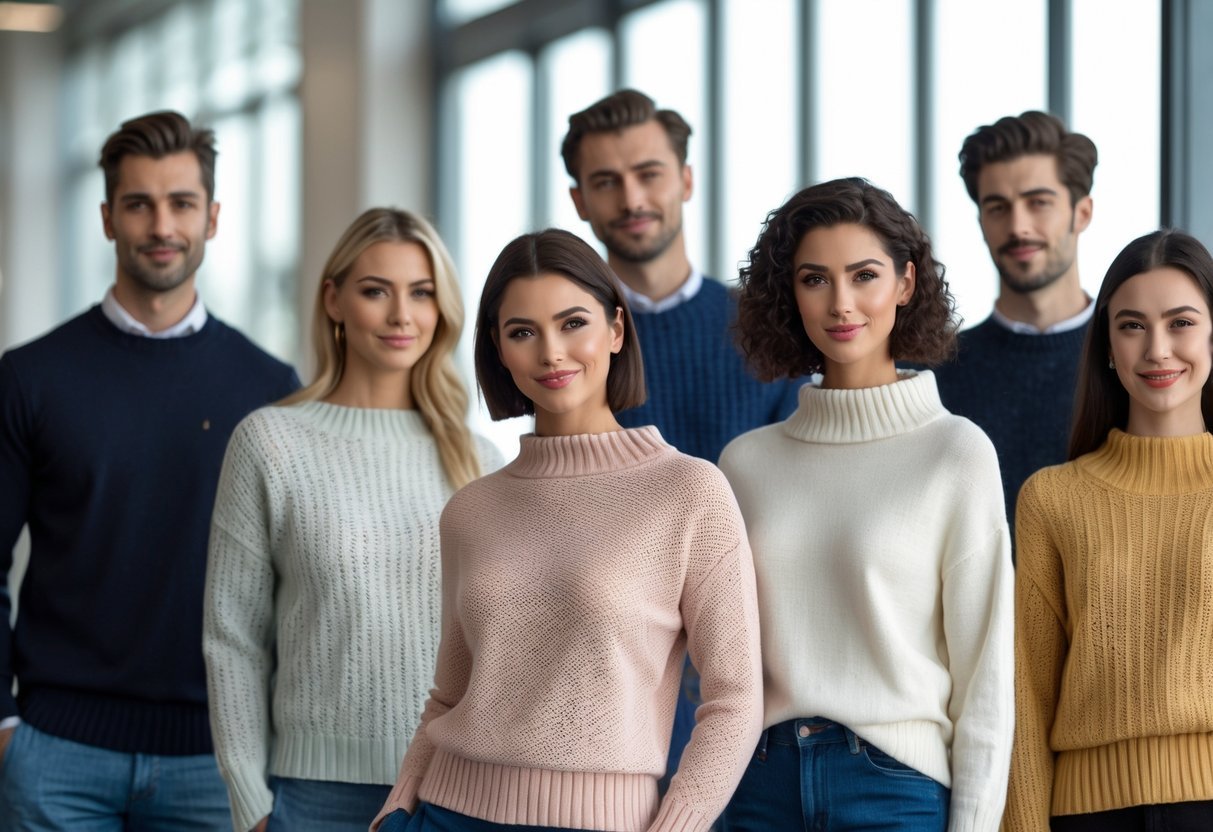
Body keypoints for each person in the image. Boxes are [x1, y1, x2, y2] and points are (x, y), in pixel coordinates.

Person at [371, 228, 763, 832]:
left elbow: (735, 700)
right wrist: (397, 807)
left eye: (572, 323)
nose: (551, 352)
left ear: (616, 329)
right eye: (522, 332)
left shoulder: (688, 492)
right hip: (444, 813)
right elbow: (450, 695)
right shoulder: (471, 509)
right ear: (499, 351)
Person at [0, 111, 299, 830]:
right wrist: (4, 728)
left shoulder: (270, 387)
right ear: (107, 218)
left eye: (181, 203)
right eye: (138, 204)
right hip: (54, 757)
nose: (161, 224)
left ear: (214, 217)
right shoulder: (29, 379)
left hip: (216, 762)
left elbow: (295, 584)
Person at [717, 178, 1014, 831]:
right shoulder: (745, 464)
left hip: (893, 788)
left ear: (905, 284)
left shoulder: (954, 453)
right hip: (758, 784)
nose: (841, 303)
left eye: (864, 275)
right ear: (788, 294)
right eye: (814, 279)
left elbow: (985, 676)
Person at [203, 208, 501, 832]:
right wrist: (250, 803)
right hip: (315, 797)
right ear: (334, 300)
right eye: (376, 292)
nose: (402, 315)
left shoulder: (479, 459)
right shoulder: (270, 441)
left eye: (422, 293)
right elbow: (233, 639)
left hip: (457, 793)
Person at [562, 88, 799, 781]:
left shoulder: (765, 335)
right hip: (609, 670)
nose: (631, 197)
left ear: (686, 179)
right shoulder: (567, 351)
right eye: (606, 182)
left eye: (648, 173)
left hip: (750, 663)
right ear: (578, 200)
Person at [1004, 229, 1213, 832]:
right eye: (1131, 326)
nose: (1157, 350)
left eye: (1181, 323)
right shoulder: (1052, 498)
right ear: (1107, 347)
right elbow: (1027, 693)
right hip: (1084, 813)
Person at [933, 111, 1098, 536]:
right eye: (998, 207)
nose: (1018, 226)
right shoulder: (935, 374)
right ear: (982, 222)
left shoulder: (1139, 359)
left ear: (1082, 213)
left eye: (1038, 202)